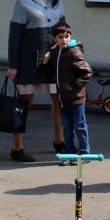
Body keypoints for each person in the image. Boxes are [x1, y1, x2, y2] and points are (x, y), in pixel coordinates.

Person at [6, 0, 66, 162]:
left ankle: (59, 141)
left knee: (57, 99)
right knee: (24, 102)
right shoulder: (23, 1)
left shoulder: (57, 3)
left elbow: (63, 30)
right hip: (29, 61)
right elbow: (15, 35)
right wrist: (13, 66)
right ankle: (17, 147)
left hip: (52, 60)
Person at [43, 21, 94, 156]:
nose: (64, 39)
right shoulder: (54, 52)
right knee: (67, 127)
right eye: (60, 37)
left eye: (67, 36)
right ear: (55, 38)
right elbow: (52, 72)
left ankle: (84, 152)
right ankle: (70, 152)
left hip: (76, 97)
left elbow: (87, 72)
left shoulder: (74, 51)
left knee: (80, 126)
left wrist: (72, 88)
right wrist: (46, 62)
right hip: (63, 98)